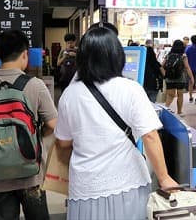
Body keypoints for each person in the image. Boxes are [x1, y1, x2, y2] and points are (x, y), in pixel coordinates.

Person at [54, 26, 178, 219]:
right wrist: (164, 178)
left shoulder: (69, 95)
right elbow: (149, 135)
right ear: (116, 55)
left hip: (85, 187)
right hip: (127, 184)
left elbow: (62, 143)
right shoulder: (130, 89)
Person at [0, 30, 57, 220]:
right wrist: (37, 134)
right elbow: (53, 124)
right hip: (31, 172)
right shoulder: (35, 85)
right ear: (25, 54)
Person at [164, 39, 196, 115]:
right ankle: (179, 111)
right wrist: (191, 77)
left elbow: (162, 66)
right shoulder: (183, 56)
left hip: (169, 78)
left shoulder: (168, 55)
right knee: (180, 95)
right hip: (180, 77)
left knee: (170, 95)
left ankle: (165, 109)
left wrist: (165, 75)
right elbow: (187, 67)